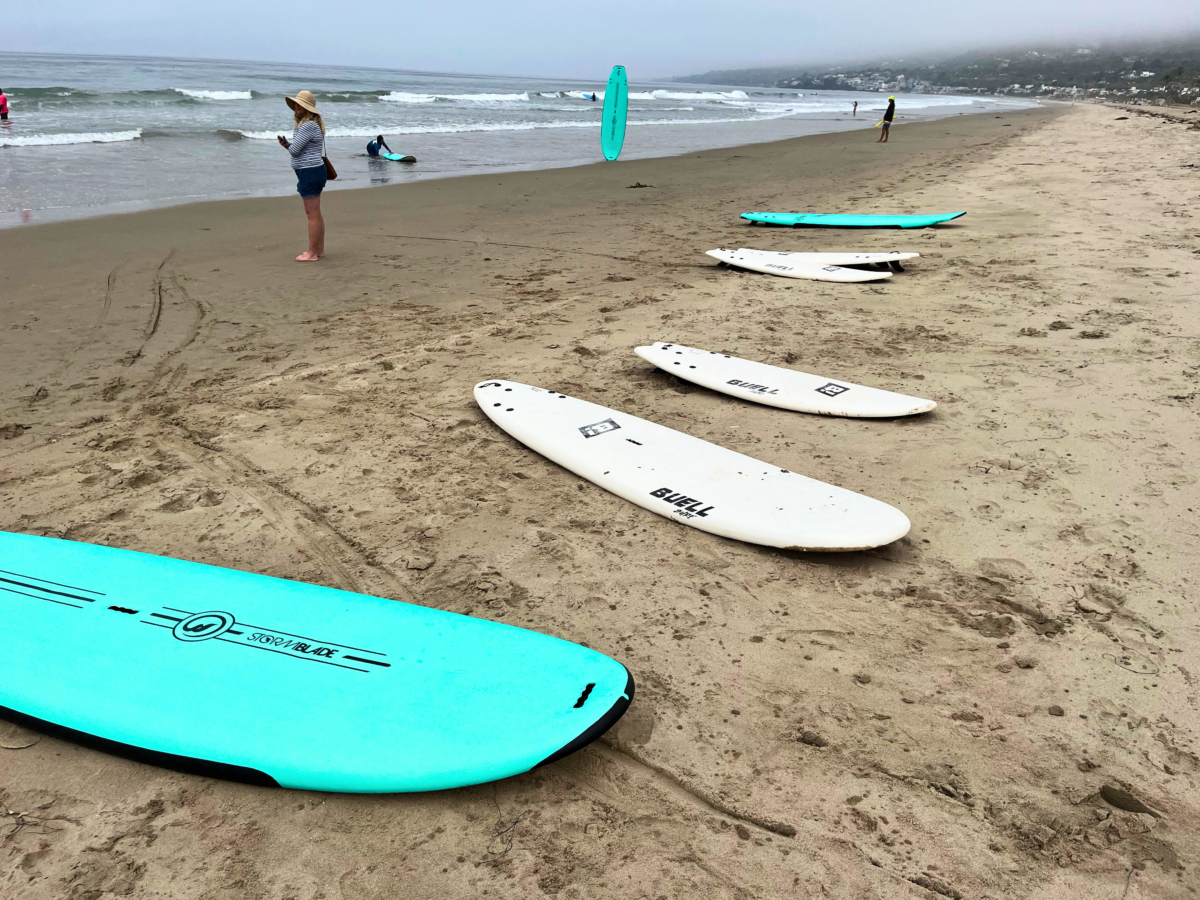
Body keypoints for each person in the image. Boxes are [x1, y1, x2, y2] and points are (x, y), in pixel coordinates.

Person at [277, 90, 327, 261]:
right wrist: (289, 145)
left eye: (301, 105)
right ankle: (318, 250)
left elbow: (295, 151)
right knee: (316, 214)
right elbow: (299, 148)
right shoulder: (313, 124)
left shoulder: (307, 126)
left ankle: (312, 253)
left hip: (309, 172)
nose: (297, 107)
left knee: (312, 215)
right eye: (296, 104)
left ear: (308, 109)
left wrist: (286, 146)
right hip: (313, 171)